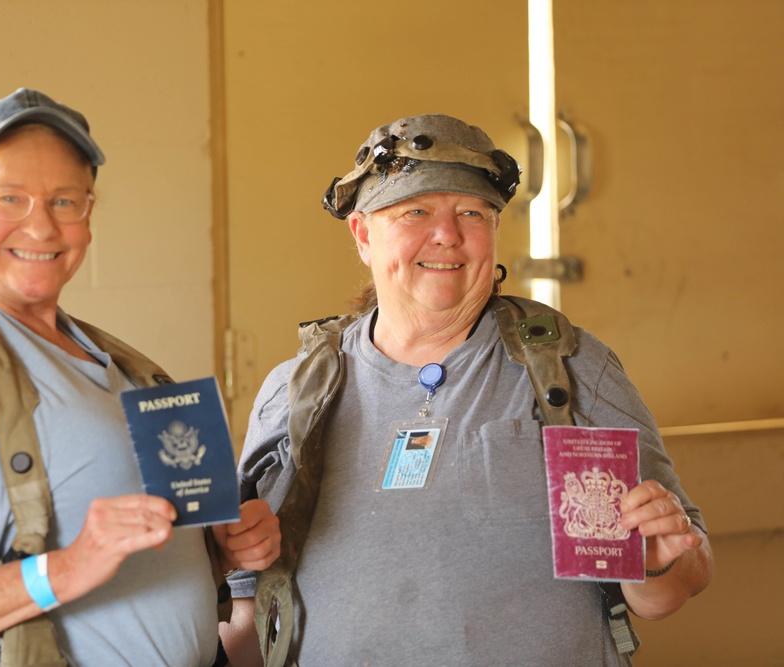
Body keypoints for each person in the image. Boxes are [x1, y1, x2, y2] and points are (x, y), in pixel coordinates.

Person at [221, 114, 713, 666]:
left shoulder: (567, 370)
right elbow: (248, 615)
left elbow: (681, 576)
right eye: (416, 211)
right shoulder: (293, 393)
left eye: (472, 213)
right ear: (362, 234)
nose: (448, 235)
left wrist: (655, 564)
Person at [0, 88, 280, 666]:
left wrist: (219, 549)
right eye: (9, 198)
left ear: (89, 217)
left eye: (63, 201)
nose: (41, 227)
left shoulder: (103, 356)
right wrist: (70, 566)